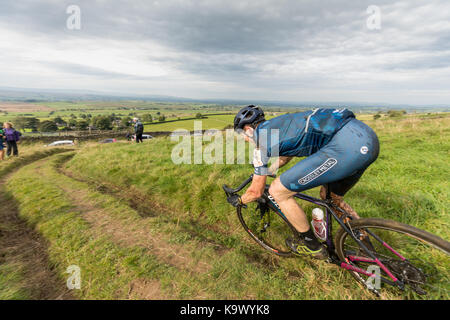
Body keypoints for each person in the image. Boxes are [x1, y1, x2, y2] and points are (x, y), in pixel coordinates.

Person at [227, 106, 379, 260]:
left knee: (277, 191)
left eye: (243, 136)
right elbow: (287, 154)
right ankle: (367, 248)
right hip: (366, 138)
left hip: (346, 148)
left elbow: (256, 192)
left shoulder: (260, 143)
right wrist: (270, 170)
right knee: (331, 197)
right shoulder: (279, 124)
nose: (246, 140)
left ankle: (311, 246)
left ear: (248, 129)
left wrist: (239, 200)